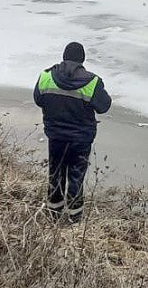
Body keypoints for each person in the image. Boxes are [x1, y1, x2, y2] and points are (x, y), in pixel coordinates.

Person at [33, 42, 111, 223]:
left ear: (63, 56)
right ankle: (75, 218)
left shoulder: (46, 76)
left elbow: (38, 99)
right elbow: (104, 106)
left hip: (55, 136)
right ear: (82, 60)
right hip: (81, 139)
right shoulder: (92, 82)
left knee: (55, 173)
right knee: (76, 176)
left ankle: (54, 214)